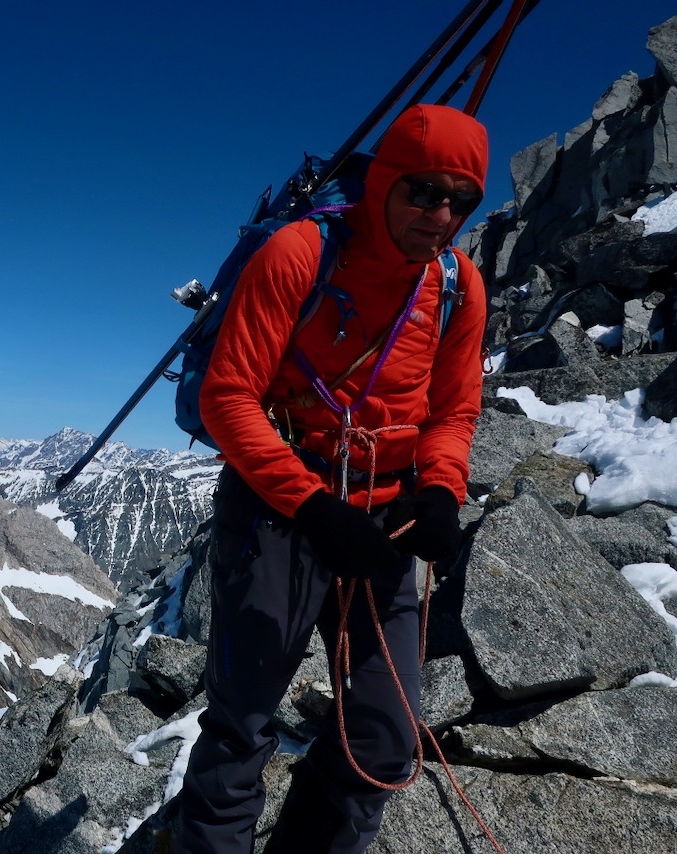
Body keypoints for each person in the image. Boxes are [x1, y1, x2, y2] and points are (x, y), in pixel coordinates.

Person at [174, 104, 489, 853]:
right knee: (242, 725)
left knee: (383, 740)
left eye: (461, 200)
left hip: (382, 521)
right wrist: (314, 509)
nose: (440, 215)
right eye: (422, 190)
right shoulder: (297, 253)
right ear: (383, 181)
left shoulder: (456, 285)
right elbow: (227, 399)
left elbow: (454, 411)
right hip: (278, 515)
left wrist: (442, 490)